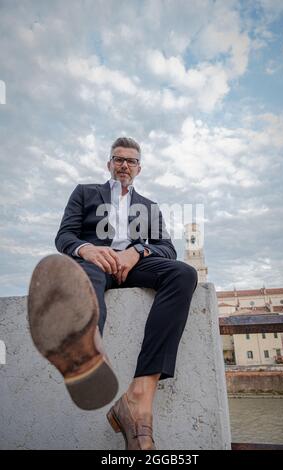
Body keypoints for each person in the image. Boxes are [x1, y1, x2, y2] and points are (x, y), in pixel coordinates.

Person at [28, 137, 198, 450]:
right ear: (109, 164)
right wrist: (88, 249)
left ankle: (138, 393)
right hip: (94, 263)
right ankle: (89, 351)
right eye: (118, 159)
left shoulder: (149, 207)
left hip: (134, 268)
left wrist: (138, 251)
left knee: (184, 274)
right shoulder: (84, 192)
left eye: (130, 161)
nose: (124, 165)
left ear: (139, 168)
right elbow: (64, 234)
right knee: (84, 276)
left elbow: (167, 248)